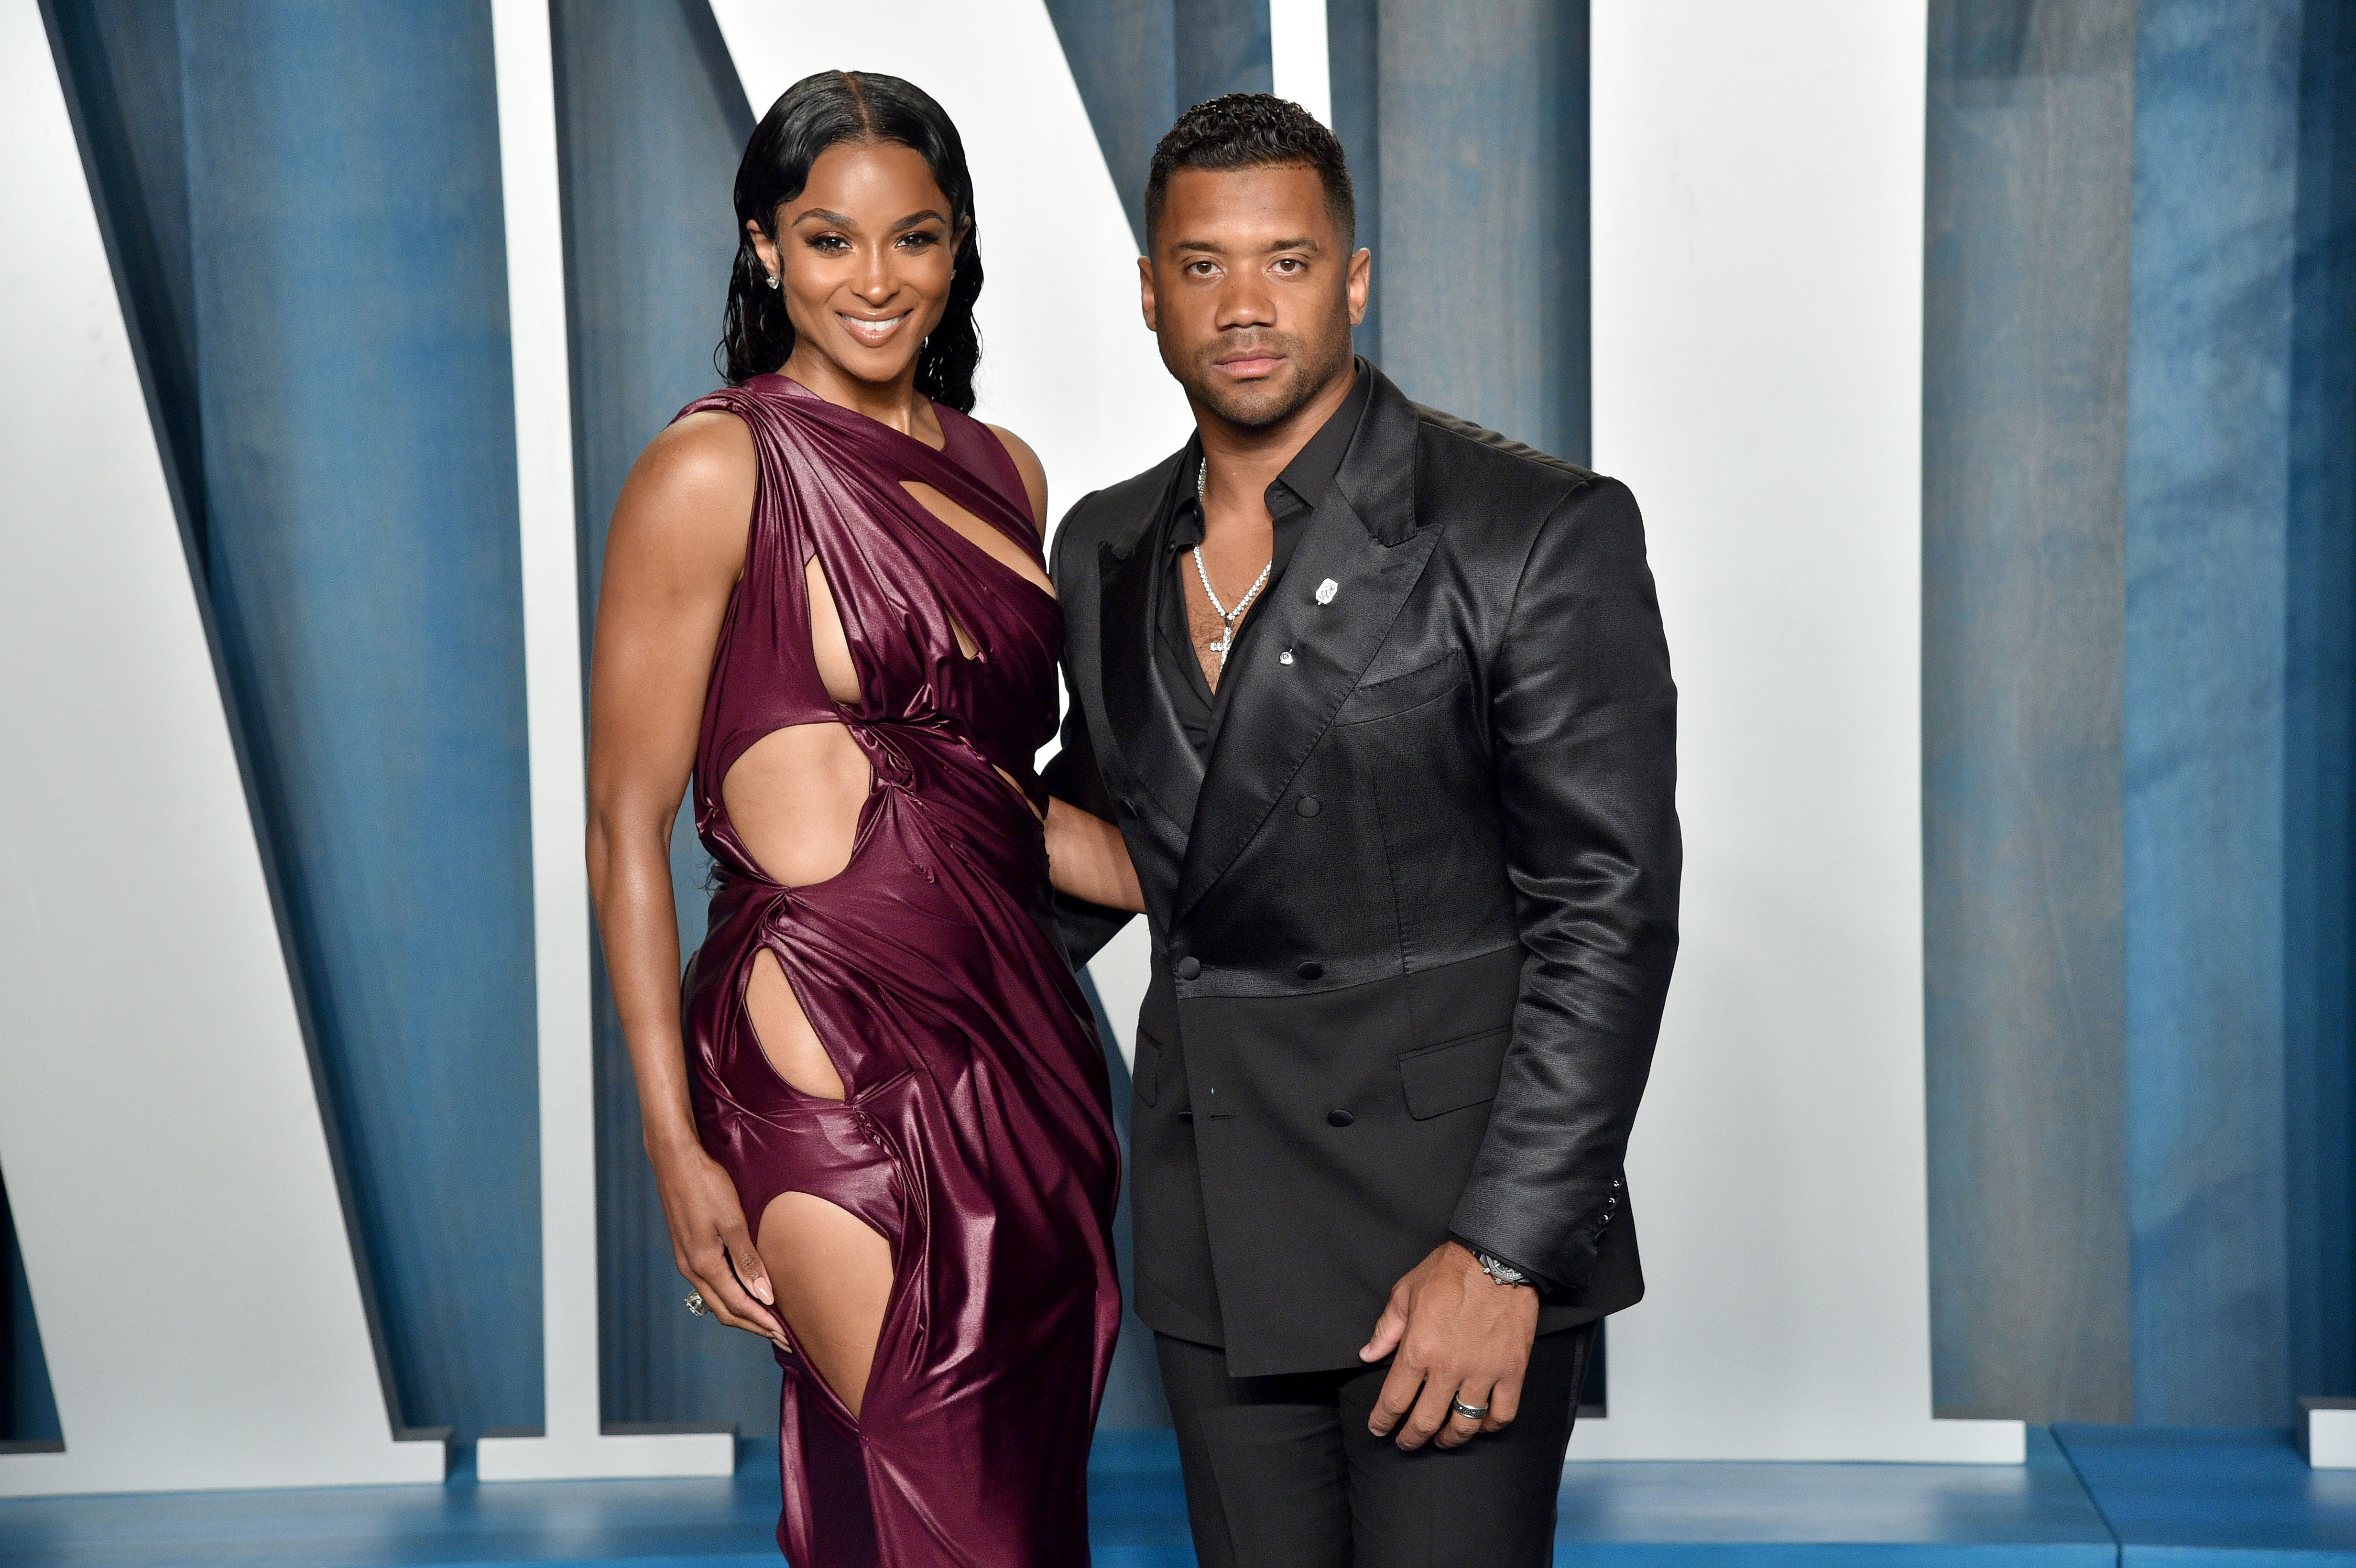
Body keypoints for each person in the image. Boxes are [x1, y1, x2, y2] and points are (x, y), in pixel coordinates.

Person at [1044, 95, 1681, 1567]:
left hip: (1445, 1234)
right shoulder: (1105, 545)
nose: (1246, 306)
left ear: (1357, 277)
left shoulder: (1530, 529)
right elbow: (1135, 847)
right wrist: (885, 799)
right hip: (1221, 1242)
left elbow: (1610, 914)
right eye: (1202, 267)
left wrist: (1508, 1249)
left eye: (1288, 261)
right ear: (1149, 292)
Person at [585, 70, 1142, 1566]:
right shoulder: (716, 468)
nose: (876, 280)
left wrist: (1281, 851)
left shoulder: (1005, 470)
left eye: (915, 237)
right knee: (935, 1502)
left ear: (958, 248)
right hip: (819, 1045)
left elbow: (1000, 804)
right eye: (830, 240)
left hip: (1024, 1054)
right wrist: (672, 1146)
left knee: (1016, 1518)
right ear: (764, 247)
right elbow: (621, 827)